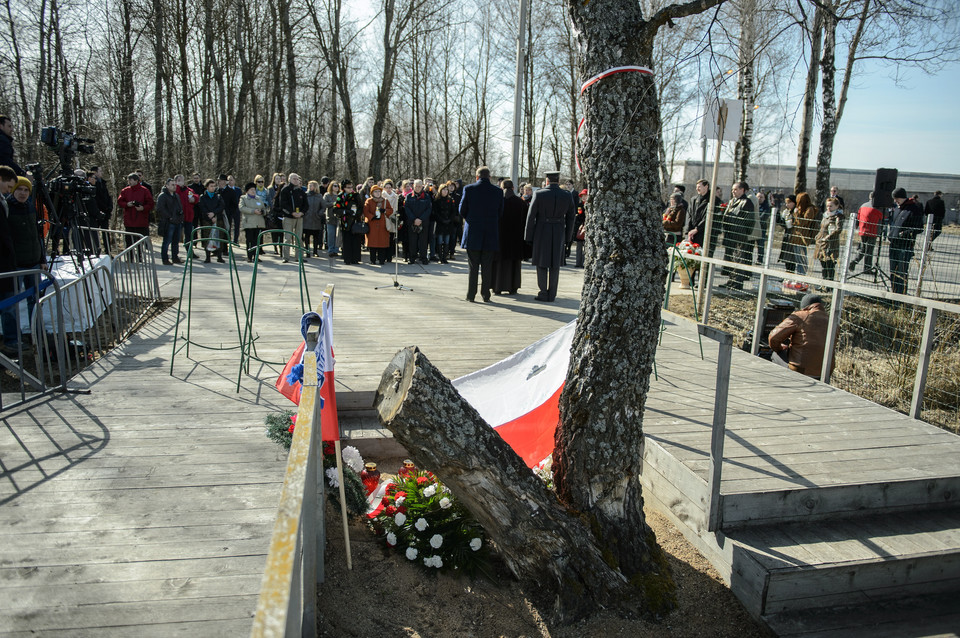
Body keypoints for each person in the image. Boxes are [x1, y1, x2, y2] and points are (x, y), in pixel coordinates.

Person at [0, 174, 45, 357]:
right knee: (10, 305)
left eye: (26, 190)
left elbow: (38, 234)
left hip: (33, 261)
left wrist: (42, 258)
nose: (22, 193)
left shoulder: (31, 207)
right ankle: (11, 339)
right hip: (14, 265)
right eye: (19, 189)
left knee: (36, 300)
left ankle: (38, 333)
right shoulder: (6, 207)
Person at [524, 170, 576, 302]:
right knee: (555, 264)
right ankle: (552, 293)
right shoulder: (566, 195)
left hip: (542, 230)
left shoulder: (539, 194)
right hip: (559, 231)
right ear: (558, 181)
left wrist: (528, 236)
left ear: (547, 181)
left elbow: (531, 217)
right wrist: (568, 237)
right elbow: (571, 218)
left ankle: (543, 292)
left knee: (541, 263)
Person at [459, 166, 503, 302]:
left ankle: (471, 295)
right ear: (489, 177)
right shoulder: (497, 191)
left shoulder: (469, 189)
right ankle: (486, 295)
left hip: (473, 232)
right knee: (487, 266)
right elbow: (500, 213)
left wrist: (471, 219)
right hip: (490, 232)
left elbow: (462, 210)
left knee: (473, 266)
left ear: (477, 177)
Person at [768, 293, 830, 380]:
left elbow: (773, 337)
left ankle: (781, 383)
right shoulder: (832, 321)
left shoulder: (800, 316)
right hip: (824, 372)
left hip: (799, 370)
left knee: (775, 354)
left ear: (804, 307)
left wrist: (780, 348)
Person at [493, 179, 527, 294]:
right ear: (513, 188)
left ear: (502, 188)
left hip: (500, 238)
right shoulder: (521, 202)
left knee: (499, 263)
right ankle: (513, 287)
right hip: (516, 238)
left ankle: (497, 286)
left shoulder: (498, 201)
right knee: (514, 263)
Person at [888, 187, 924, 295]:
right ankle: (894, 294)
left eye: (897, 198)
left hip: (905, 245)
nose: (895, 201)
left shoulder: (914, 209)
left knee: (901, 272)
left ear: (903, 197)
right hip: (894, 243)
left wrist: (905, 233)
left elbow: (919, 228)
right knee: (893, 271)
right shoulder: (897, 208)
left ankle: (901, 296)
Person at [720, 181, 756, 290]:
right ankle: (731, 280)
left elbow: (750, 221)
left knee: (739, 259)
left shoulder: (746, 202)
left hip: (740, 235)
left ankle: (737, 283)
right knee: (731, 259)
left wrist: (743, 232)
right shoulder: (732, 201)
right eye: (732, 190)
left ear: (742, 190)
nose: (733, 192)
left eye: (736, 189)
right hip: (729, 234)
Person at [116, 173, 154, 249]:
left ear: (136, 181)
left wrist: (143, 208)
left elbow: (151, 203)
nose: (129, 182)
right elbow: (120, 201)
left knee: (140, 241)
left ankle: (140, 256)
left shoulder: (145, 190)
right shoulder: (125, 190)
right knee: (129, 241)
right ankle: (130, 257)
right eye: (128, 180)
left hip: (141, 220)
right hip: (129, 220)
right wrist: (127, 204)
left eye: (130, 180)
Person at [848, 193, 883, 273]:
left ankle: (855, 261)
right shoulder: (878, 208)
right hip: (873, 231)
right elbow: (883, 217)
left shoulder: (863, 205)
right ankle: (867, 268)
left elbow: (858, 217)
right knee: (869, 251)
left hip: (863, 230)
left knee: (863, 249)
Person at [278, 173, 308, 263]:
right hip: (288, 217)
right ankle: (286, 257)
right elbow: (283, 204)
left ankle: (299, 257)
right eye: (294, 179)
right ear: (289, 179)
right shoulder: (285, 190)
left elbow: (306, 205)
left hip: (299, 218)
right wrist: (292, 213)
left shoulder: (301, 191)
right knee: (287, 237)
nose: (296, 180)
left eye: (297, 179)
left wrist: (302, 213)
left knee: (299, 237)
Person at [684, 179, 719, 252]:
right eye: (696, 187)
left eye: (699, 187)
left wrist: (697, 229)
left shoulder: (713, 200)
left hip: (705, 234)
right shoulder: (693, 199)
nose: (697, 189)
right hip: (692, 234)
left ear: (706, 187)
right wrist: (688, 232)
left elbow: (708, 217)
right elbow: (689, 215)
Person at [196, 178, 226, 263]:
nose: (213, 188)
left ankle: (219, 256)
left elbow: (221, 206)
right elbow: (202, 207)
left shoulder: (218, 196)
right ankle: (207, 256)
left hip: (218, 219)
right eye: (211, 186)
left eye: (214, 186)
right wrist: (210, 215)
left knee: (219, 237)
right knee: (207, 237)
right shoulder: (203, 197)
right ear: (207, 187)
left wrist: (215, 214)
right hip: (207, 219)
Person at [155, 178, 184, 265]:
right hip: (168, 222)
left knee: (176, 241)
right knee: (167, 241)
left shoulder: (176, 195)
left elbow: (180, 207)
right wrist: (170, 217)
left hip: (177, 222)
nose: (174, 186)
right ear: (167, 186)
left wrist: (181, 216)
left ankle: (175, 257)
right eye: (172, 185)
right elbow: (160, 209)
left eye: (175, 185)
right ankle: (165, 258)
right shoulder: (163, 196)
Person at [814, 197, 843, 282]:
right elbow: (822, 228)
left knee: (830, 264)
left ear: (837, 206)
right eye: (827, 206)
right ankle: (824, 282)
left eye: (831, 206)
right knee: (823, 263)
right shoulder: (825, 215)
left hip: (831, 243)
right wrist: (818, 236)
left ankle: (829, 284)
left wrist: (828, 237)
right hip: (821, 242)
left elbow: (838, 229)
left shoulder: (838, 216)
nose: (828, 208)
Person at [363, 183, 393, 265]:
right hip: (372, 225)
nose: (377, 193)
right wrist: (372, 217)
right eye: (375, 192)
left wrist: (385, 211)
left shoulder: (385, 201)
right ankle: (372, 260)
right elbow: (366, 211)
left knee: (382, 244)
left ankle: (381, 259)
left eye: (379, 191)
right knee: (372, 244)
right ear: (372, 193)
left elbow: (390, 210)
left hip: (383, 225)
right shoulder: (369, 201)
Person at [404, 179, 432, 265]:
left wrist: (420, 219)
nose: (418, 188)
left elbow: (429, 209)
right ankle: (412, 258)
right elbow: (407, 208)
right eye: (416, 186)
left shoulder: (427, 197)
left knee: (423, 241)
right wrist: (414, 219)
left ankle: (423, 257)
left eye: (419, 186)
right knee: (412, 241)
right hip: (412, 222)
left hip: (423, 222)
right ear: (413, 186)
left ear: (422, 187)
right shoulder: (409, 196)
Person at [335, 180, 363, 265]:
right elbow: (336, 209)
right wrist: (345, 211)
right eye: (348, 187)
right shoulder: (340, 196)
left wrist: (356, 214)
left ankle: (355, 258)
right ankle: (347, 258)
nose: (350, 189)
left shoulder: (356, 195)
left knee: (356, 240)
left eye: (351, 187)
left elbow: (361, 207)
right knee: (346, 240)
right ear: (344, 188)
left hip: (355, 221)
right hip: (345, 221)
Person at [239, 181, 268, 262]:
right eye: (251, 189)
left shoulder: (258, 198)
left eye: (254, 189)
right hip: (249, 223)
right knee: (249, 240)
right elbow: (241, 208)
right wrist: (253, 211)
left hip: (259, 223)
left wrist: (263, 212)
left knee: (257, 240)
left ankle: (256, 256)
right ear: (247, 191)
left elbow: (265, 209)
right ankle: (249, 256)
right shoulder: (243, 198)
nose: (253, 191)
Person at [792, 192, 819, 276]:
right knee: (797, 257)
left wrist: (796, 214)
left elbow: (803, 222)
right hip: (796, 236)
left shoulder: (810, 209)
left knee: (802, 257)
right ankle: (799, 274)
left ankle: (802, 275)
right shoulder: (800, 208)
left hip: (803, 236)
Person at [431, 182, 457, 264]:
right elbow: (435, 212)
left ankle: (445, 257)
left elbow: (453, 212)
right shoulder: (436, 200)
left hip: (449, 223)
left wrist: (450, 219)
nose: (445, 191)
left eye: (446, 190)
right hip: (440, 223)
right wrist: (441, 220)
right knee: (439, 240)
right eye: (443, 190)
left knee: (447, 241)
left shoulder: (450, 200)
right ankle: (440, 257)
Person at [175, 174, 199, 258]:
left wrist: (194, 199)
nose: (181, 181)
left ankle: (190, 252)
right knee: (176, 236)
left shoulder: (188, 190)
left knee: (188, 235)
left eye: (182, 180)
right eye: (178, 180)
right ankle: (175, 254)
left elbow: (195, 196)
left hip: (188, 216)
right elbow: (175, 195)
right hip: (178, 217)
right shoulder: (174, 189)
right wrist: (178, 186)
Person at [90, 165, 113, 249]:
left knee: (106, 233)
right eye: (100, 171)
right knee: (94, 233)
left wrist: (109, 207)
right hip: (96, 212)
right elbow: (96, 198)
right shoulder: (92, 185)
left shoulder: (103, 182)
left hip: (106, 212)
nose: (101, 173)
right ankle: (96, 250)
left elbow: (108, 196)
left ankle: (108, 250)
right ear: (95, 173)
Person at [777, 194, 800, 273]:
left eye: (789, 202)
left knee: (792, 256)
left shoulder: (797, 211)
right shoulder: (786, 211)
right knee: (786, 255)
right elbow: (784, 224)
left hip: (794, 235)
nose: (787, 205)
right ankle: (787, 272)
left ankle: (791, 272)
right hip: (787, 235)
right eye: (786, 203)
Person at [265, 172, 286, 254]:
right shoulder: (270, 188)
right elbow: (270, 200)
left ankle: (281, 248)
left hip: (281, 212)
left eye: (279, 179)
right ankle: (275, 246)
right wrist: (273, 207)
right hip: (273, 212)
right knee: (274, 231)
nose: (278, 180)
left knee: (281, 231)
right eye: (277, 178)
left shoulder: (282, 187)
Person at [303, 180, 324, 257]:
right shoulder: (305, 195)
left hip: (316, 219)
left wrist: (319, 214)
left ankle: (315, 251)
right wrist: (304, 213)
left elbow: (323, 207)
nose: (310, 187)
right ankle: (307, 251)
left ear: (315, 187)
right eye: (309, 185)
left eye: (311, 185)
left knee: (316, 236)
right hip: (307, 219)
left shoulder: (319, 196)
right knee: (307, 236)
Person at [220, 174, 242, 244]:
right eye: (228, 180)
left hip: (236, 209)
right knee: (227, 226)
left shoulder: (237, 190)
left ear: (234, 181)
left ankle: (236, 240)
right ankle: (228, 240)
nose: (230, 182)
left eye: (231, 180)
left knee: (237, 225)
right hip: (226, 211)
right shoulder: (222, 190)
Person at [323, 180, 341, 257]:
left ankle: (336, 250)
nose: (336, 187)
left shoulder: (340, 195)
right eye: (334, 186)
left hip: (339, 218)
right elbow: (324, 204)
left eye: (337, 186)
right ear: (331, 186)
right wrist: (333, 203)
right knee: (331, 234)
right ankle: (331, 250)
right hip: (330, 217)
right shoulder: (327, 195)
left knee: (337, 235)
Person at [574, 188, 587, 268]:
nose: (583, 197)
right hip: (580, 227)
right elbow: (579, 215)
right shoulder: (580, 205)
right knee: (579, 246)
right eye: (582, 196)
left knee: (586, 247)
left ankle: (584, 262)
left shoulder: (591, 205)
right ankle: (578, 262)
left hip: (587, 227)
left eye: (585, 196)